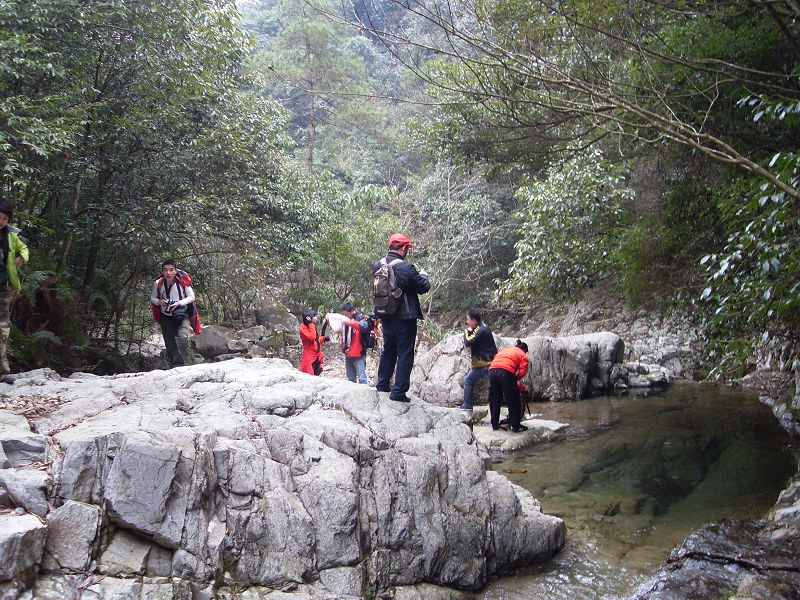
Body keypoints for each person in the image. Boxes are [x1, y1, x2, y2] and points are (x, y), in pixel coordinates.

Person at [373, 233, 430, 402]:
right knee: (405, 353)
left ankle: (382, 384)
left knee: (388, 349)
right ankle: (398, 391)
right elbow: (423, 287)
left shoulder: (377, 265)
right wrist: (424, 276)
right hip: (405, 317)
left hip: (385, 315)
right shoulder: (406, 268)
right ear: (404, 248)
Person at [0, 200, 29, 382]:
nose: (1, 221)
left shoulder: (10, 235)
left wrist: (21, 258)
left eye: (5, 218)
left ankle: (2, 372)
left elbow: (24, 249)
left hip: (2, 288)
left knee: (3, 329)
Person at [150, 259, 196, 368]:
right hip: (165, 316)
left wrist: (179, 303)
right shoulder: (158, 283)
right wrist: (159, 302)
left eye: (171, 270)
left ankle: (187, 362)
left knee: (182, 338)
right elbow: (152, 298)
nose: (168, 273)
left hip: (182, 314)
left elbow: (191, 297)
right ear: (162, 272)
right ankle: (175, 365)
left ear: (175, 271)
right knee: (170, 342)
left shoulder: (183, 282)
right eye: (165, 270)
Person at [487, 339, 530, 432]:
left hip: (492, 370)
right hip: (506, 372)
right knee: (513, 399)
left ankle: (495, 425)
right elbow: (522, 371)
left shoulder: (505, 350)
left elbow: (495, 359)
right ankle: (515, 426)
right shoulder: (523, 355)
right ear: (524, 350)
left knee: (494, 398)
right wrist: (515, 378)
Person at [460, 308, 498, 410]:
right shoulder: (482, 327)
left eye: (468, 320)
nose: (467, 322)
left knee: (468, 380)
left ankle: (467, 405)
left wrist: (466, 332)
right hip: (487, 361)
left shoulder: (481, 330)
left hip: (485, 363)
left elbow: (468, 342)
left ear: (474, 320)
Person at [337, 302, 369, 384]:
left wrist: (349, 322)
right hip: (348, 352)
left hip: (358, 353)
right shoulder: (345, 321)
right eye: (343, 314)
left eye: (346, 314)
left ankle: (365, 391)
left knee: (362, 378)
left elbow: (364, 328)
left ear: (352, 311)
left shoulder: (360, 318)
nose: (344, 316)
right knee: (350, 379)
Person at [299, 309, 327, 375]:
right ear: (309, 318)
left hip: (316, 356)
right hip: (309, 356)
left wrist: (323, 339)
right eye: (314, 316)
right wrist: (311, 324)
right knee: (310, 376)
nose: (316, 317)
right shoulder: (303, 328)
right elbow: (312, 337)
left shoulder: (311, 326)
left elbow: (316, 340)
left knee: (316, 375)